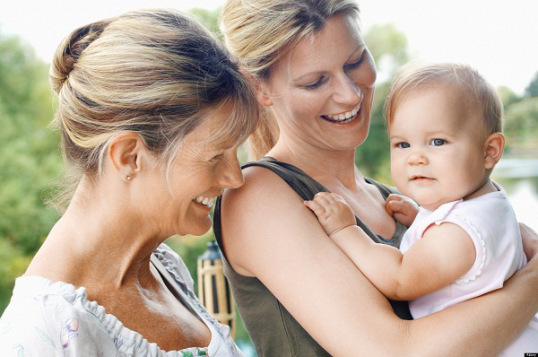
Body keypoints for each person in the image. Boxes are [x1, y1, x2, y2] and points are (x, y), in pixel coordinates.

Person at [213, 0, 538, 355]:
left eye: (355, 62)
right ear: (258, 88)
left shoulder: (406, 200)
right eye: (315, 82)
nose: (350, 94)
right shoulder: (260, 198)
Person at [0, 9, 259, 356]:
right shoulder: (43, 334)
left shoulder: (163, 269)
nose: (235, 177)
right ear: (129, 156)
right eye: (215, 156)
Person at [305, 62, 538, 356]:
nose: (415, 158)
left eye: (437, 141)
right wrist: (421, 218)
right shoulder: (486, 204)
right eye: (402, 144)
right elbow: (468, 254)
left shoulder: (458, 234)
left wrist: (346, 230)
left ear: (489, 151)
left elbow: (400, 279)